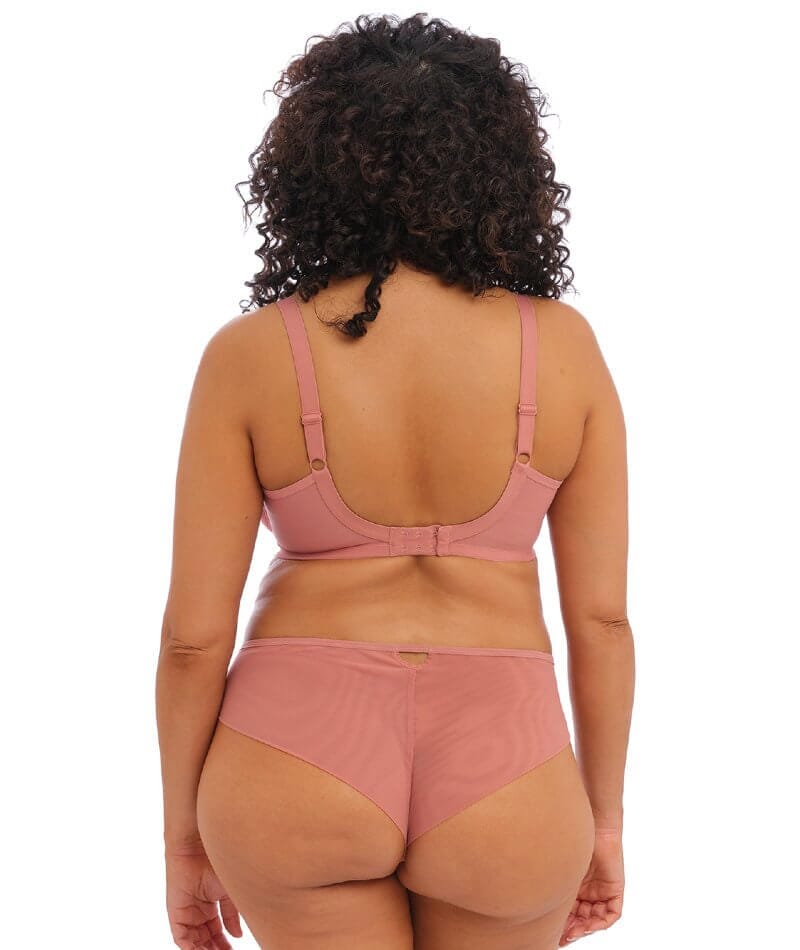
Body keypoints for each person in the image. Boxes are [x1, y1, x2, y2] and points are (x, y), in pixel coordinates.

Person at [155, 12, 634, 950]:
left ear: (310, 170)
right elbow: (604, 623)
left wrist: (183, 839)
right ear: (501, 170)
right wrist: (604, 823)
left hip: (293, 760)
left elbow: (191, 640)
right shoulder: (563, 348)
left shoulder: (250, 355)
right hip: (509, 770)